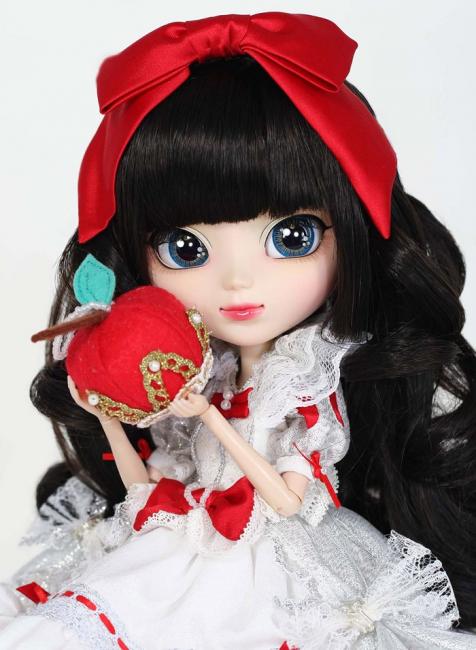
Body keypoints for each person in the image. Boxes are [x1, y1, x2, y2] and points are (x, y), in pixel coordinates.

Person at [1, 11, 476, 649]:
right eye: (185, 249)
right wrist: (107, 413)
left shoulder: (303, 383)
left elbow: (286, 503)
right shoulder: (203, 370)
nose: (238, 282)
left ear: (354, 232)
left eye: (292, 237)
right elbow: (146, 492)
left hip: (278, 559)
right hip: (188, 536)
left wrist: (210, 417)